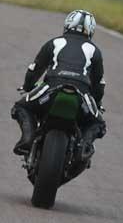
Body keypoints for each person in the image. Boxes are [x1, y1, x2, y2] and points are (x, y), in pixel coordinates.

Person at [11, 10, 107, 157]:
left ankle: (27, 138)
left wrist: (28, 87)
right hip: (82, 90)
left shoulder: (55, 42)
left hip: (52, 86)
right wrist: (98, 103)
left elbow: (35, 69)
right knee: (98, 123)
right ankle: (85, 146)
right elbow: (99, 84)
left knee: (21, 107)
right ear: (91, 31)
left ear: (67, 25)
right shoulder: (95, 50)